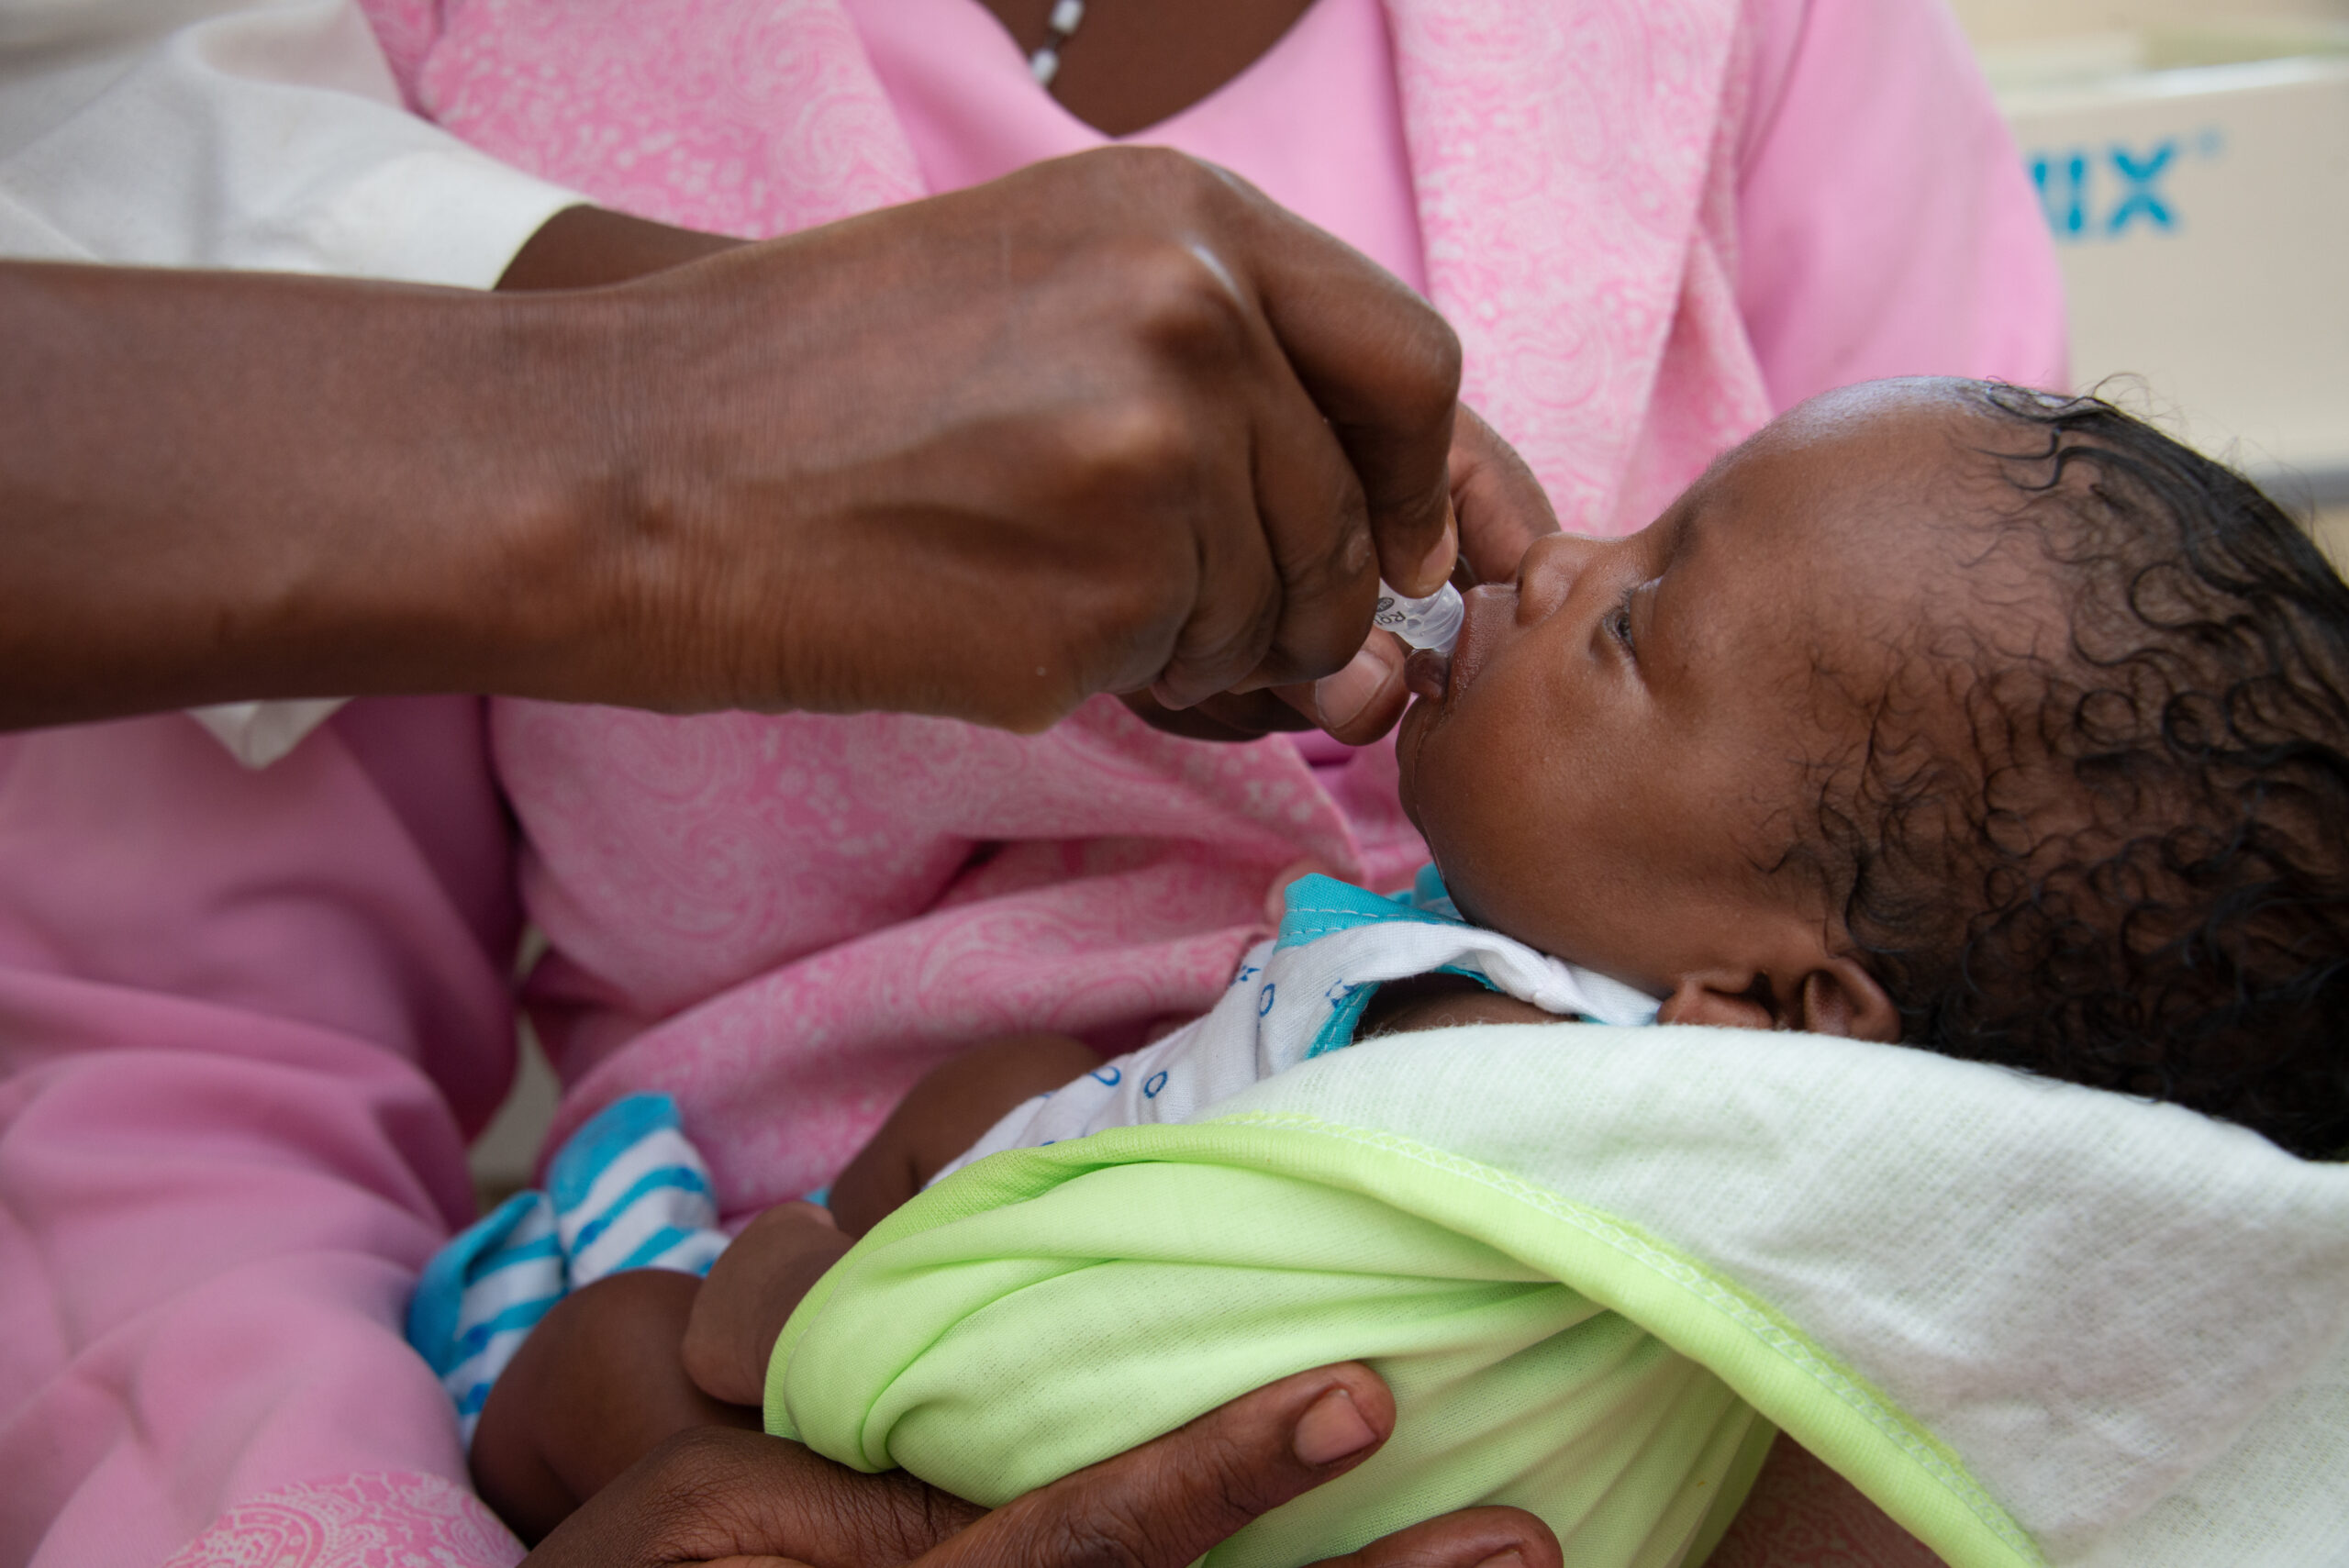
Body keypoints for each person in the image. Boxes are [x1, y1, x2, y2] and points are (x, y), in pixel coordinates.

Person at [0, 1, 2067, 1562]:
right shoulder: (395, 60)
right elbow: (180, 1090)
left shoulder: (1770, 45)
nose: (1563, 553)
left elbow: (2015, 955)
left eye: (1637, 614)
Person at [441, 377, 2349, 1541]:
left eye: (1632, 627)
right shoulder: (1569, 1077)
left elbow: (1100, 1369)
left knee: (595, 1366)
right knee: (980, 1100)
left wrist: (833, 1300)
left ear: (1762, 1007)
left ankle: (640, 1288)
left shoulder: (1476, 1088)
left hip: (940, 1432)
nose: (1556, 559)